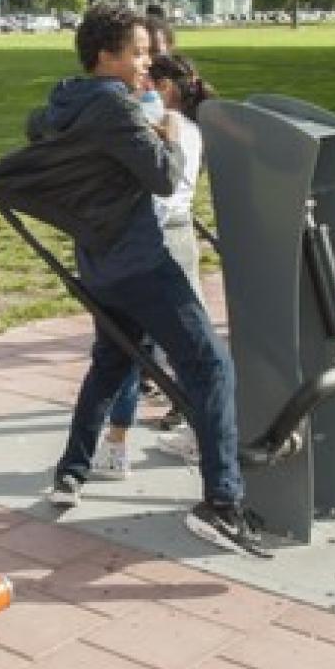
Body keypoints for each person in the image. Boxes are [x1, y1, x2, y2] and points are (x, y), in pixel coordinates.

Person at [1, 1, 259, 555]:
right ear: (105, 56)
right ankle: (222, 500)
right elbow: (165, 178)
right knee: (211, 364)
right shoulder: (116, 109)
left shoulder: (65, 102)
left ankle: (72, 468)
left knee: (112, 362)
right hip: (141, 260)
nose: (149, 62)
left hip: (98, 260)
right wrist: (161, 126)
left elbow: (36, 126)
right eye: (138, 53)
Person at [91, 52, 213, 477]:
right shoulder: (193, 130)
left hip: (155, 239)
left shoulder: (166, 132)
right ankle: (197, 434)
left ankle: (120, 446)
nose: (137, 90)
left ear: (164, 89)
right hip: (176, 238)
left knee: (143, 348)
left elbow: (158, 187)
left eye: (146, 83)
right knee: (187, 348)